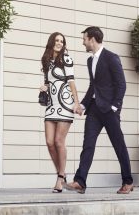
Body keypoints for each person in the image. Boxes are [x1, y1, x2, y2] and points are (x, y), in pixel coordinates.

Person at [66, 26, 134, 194]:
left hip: (109, 111)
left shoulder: (111, 58)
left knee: (119, 146)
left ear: (92, 39)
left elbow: (121, 85)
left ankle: (128, 182)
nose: (83, 42)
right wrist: (82, 105)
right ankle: (80, 181)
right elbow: (93, 87)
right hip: (94, 110)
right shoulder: (90, 61)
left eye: (84, 39)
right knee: (88, 145)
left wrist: (114, 107)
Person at [39, 32, 80, 193]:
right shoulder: (46, 60)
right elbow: (49, 82)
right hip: (51, 105)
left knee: (58, 141)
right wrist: (45, 87)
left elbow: (71, 82)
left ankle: (60, 178)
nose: (59, 43)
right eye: (56, 40)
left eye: (62, 41)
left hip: (65, 104)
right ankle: (61, 173)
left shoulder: (66, 59)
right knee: (49, 142)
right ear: (51, 42)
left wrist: (76, 103)